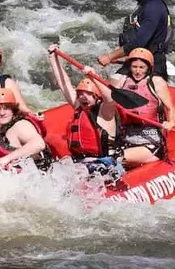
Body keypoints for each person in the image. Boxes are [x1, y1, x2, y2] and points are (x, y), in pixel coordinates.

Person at [91, 48, 175, 168]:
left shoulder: (156, 82)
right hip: (126, 138)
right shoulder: (122, 80)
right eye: (134, 67)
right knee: (104, 158)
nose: (137, 71)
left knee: (115, 158)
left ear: (148, 68)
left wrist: (171, 122)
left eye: (141, 67)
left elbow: (171, 108)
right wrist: (92, 77)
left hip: (150, 142)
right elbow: (107, 94)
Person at [47, 44, 124, 177]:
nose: (83, 97)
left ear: (96, 96)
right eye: (80, 93)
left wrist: (93, 76)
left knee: (79, 174)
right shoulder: (79, 107)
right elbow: (64, 83)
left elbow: (110, 98)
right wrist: (53, 58)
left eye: (87, 94)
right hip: (81, 163)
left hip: (105, 164)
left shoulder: (105, 112)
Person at [97, 0, 173, 80]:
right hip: (138, 60)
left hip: (151, 64)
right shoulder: (144, 5)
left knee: (113, 86)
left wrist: (110, 56)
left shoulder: (154, 7)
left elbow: (139, 41)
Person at [0, 88, 52, 170]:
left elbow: (39, 144)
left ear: (13, 110)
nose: (2, 113)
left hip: (36, 176)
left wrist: (7, 159)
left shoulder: (20, 125)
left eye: (6, 108)